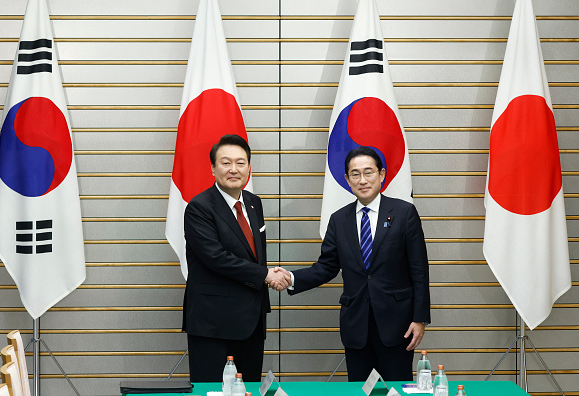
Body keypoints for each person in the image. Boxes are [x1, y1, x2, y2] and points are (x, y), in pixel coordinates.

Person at [273, 146, 430, 381]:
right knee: (358, 389)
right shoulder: (338, 220)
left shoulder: (404, 213)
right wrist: (291, 278)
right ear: (347, 179)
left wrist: (420, 319)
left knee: (398, 389)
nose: (362, 180)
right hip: (356, 326)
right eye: (355, 174)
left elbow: (419, 269)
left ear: (382, 174)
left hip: (397, 324)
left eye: (369, 172)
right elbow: (326, 267)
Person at [182, 134, 289, 383]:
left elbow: (252, 255)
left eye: (240, 163)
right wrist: (265, 275)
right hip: (213, 324)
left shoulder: (253, 203)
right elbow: (215, 257)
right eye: (226, 163)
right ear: (213, 168)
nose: (233, 169)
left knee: (248, 387)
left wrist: (267, 272)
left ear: (248, 168)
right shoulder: (199, 207)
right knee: (213, 391)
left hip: (251, 320)